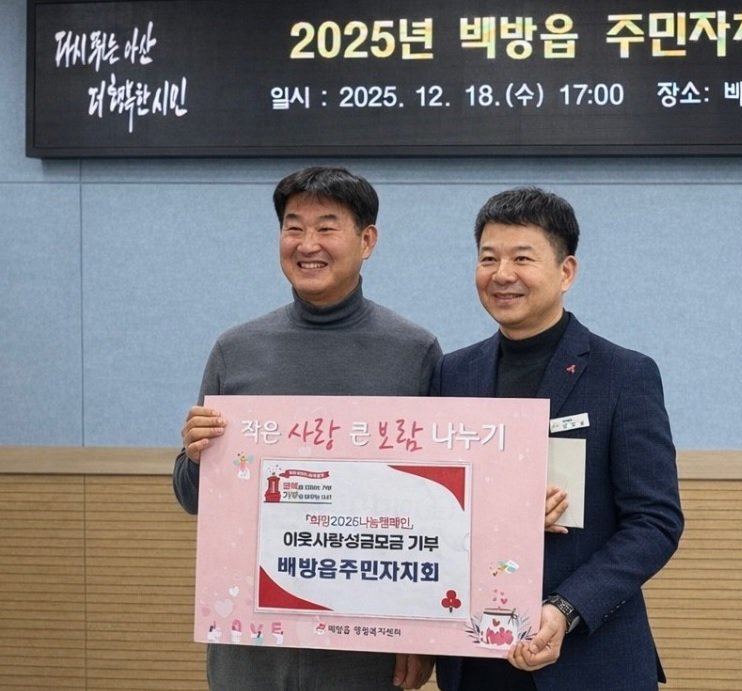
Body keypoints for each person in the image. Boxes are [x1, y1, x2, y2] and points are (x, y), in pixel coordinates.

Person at [172, 166, 441, 691]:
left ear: (367, 241)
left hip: (366, 642)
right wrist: (197, 455)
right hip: (252, 639)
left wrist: (423, 630)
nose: (307, 244)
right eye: (293, 227)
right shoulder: (236, 350)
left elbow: (434, 510)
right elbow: (192, 497)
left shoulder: (414, 351)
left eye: (326, 227)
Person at [432, 187, 684, 691]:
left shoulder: (623, 375)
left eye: (522, 258)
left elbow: (655, 522)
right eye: (488, 258)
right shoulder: (452, 373)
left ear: (566, 272)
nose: (502, 274)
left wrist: (566, 609)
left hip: (588, 656)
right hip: (475, 661)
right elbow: (434, 503)